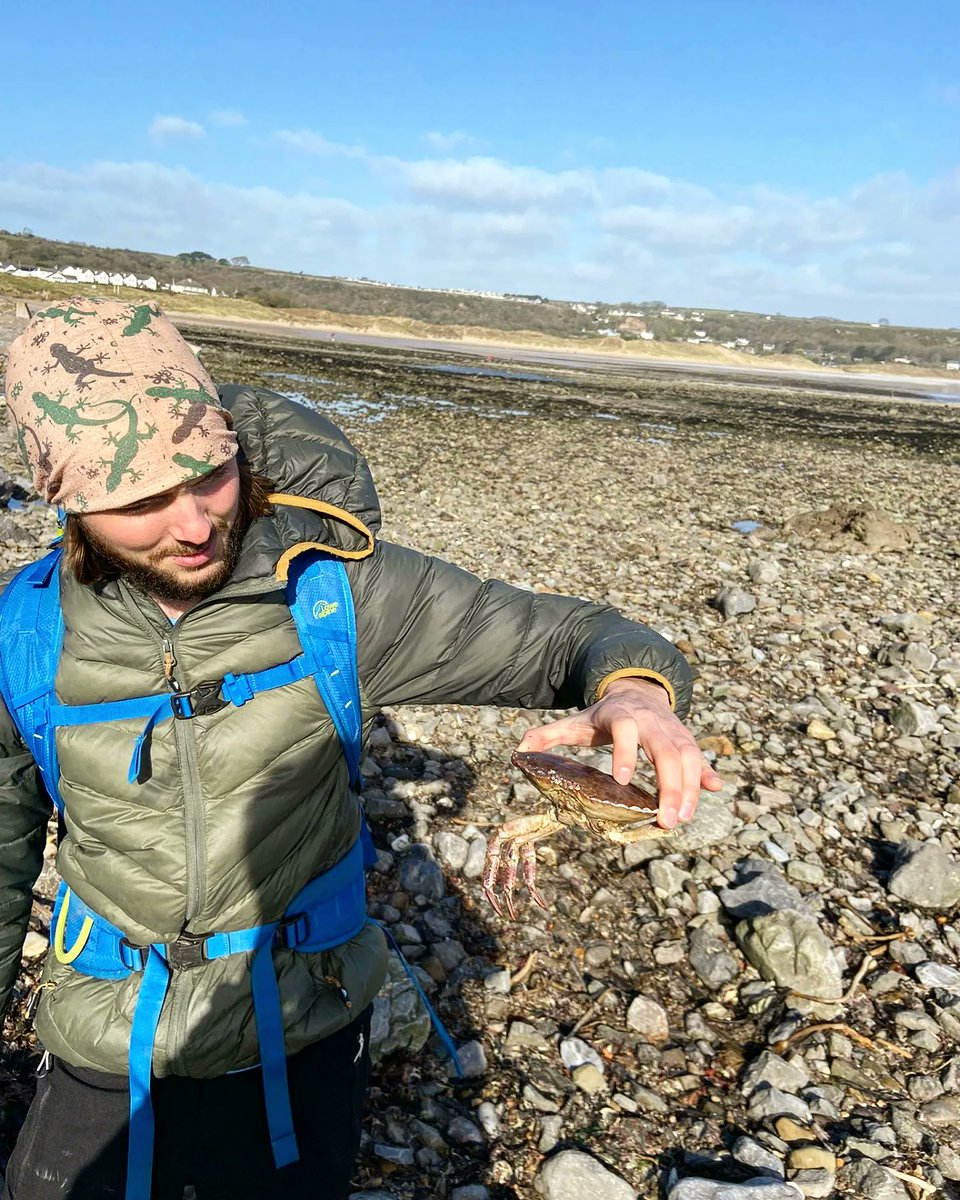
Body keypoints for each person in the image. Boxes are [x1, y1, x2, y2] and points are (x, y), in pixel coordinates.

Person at [0, 297, 722, 1200]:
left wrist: (634, 692)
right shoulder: (23, 636)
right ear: (65, 498)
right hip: (104, 1042)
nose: (192, 524)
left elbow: (565, 639)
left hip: (299, 1031)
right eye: (141, 500)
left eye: (210, 474)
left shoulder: (333, 597)